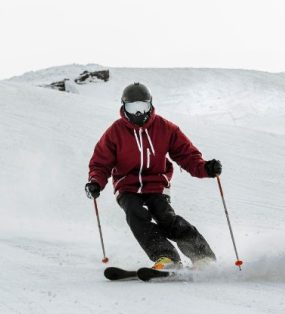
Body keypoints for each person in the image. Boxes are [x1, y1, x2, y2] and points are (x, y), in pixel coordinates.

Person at [85, 83, 221, 270]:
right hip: (127, 186)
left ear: (151, 105)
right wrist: (95, 182)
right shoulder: (115, 132)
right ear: (124, 107)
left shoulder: (165, 128)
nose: (139, 113)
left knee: (166, 218)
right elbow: (101, 163)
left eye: (143, 107)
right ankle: (167, 257)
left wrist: (206, 168)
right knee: (135, 214)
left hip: (156, 183)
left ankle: (202, 255)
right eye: (133, 108)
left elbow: (186, 155)